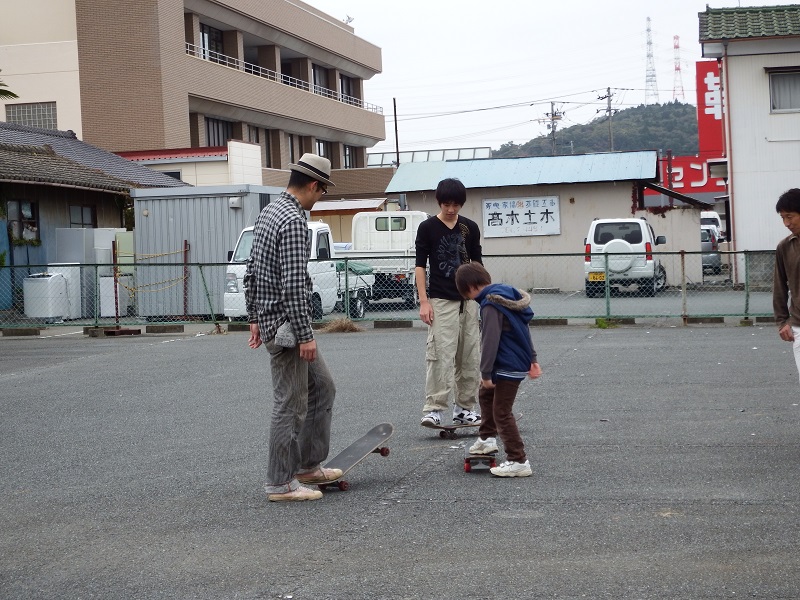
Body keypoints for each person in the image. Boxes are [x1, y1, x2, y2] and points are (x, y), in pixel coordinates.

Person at [244, 153, 341, 502]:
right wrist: (305, 335)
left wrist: (253, 317)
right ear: (314, 185)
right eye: (323, 191)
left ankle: (307, 465)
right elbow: (294, 285)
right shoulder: (294, 220)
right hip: (287, 329)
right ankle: (280, 482)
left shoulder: (269, 212)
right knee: (290, 403)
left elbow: (251, 270)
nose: (320, 197)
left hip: (271, 320)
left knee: (323, 387)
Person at [454, 262, 542, 478]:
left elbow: (490, 340)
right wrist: (532, 358)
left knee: (502, 412)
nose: (470, 298)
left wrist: (485, 373)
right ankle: (487, 439)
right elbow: (524, 331)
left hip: (506, 364)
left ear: (472, 287)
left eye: (467, 294)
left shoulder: (491, 305)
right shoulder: (509, 297)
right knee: (486, 395)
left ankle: (518, 460)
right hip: (514, 361)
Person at [415, 178, 483, 427]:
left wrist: (483, 298)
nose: (451, 209)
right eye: (446, 204)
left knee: (470, 356)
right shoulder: (428, 227)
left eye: (456, 204)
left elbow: (478, 264)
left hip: (469, 301)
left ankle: (464, 408)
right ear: (439, 202)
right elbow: (420, 265)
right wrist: (424, 301)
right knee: (440, 354)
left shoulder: (470, 228)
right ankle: (434, 409)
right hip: (441, 299)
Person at [773, 188, 800, 385]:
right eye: (783, 217)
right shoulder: (785, 247)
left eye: (790, 216)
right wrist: (782, 322)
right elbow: (779, 286)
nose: (786, 223)